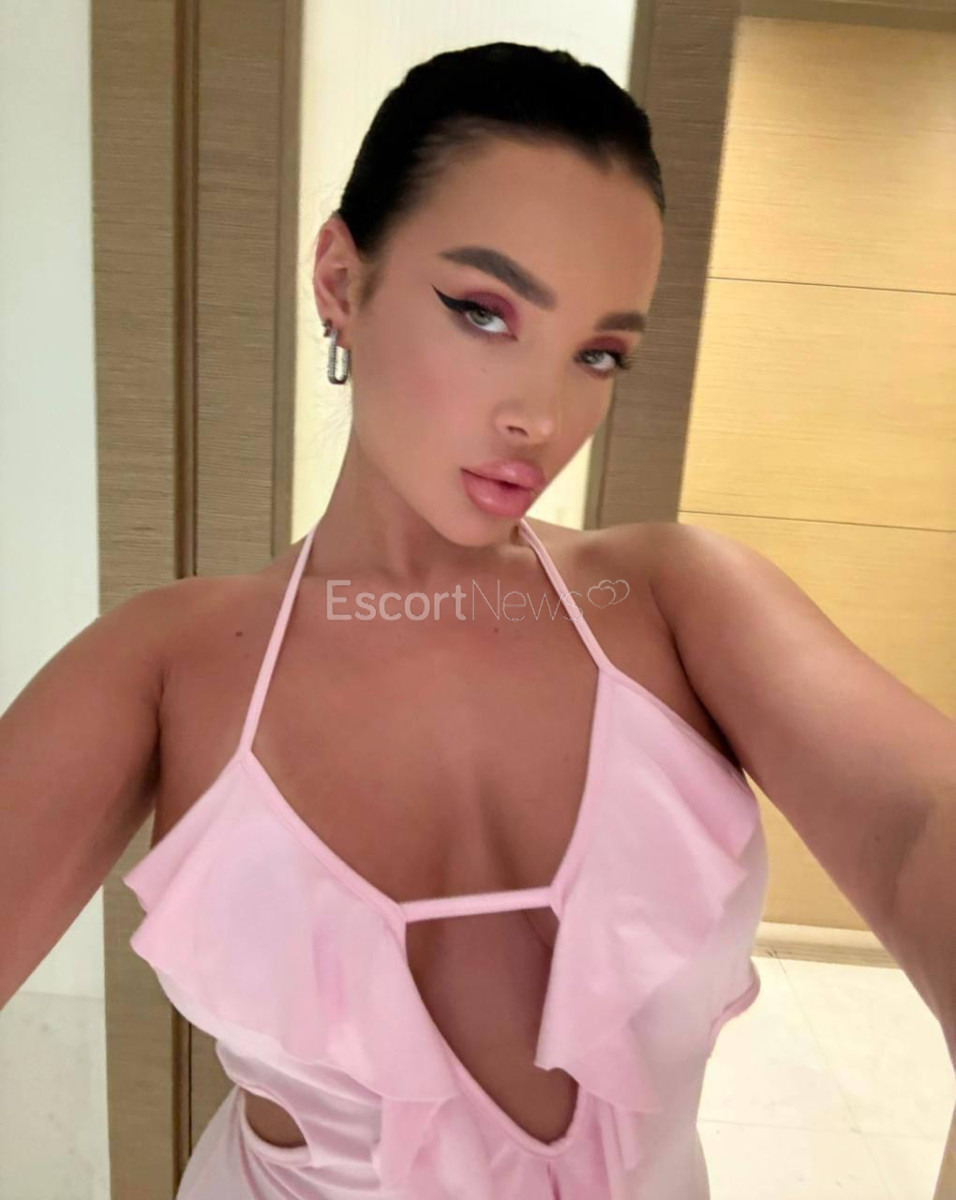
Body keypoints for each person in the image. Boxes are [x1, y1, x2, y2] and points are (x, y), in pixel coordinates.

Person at [4, 41, 771, 1198]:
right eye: (482, 311)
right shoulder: (167, 667)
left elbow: (920, 820)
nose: (540, 415)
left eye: (597, 353)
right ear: (339, 281)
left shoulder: (671, 598)